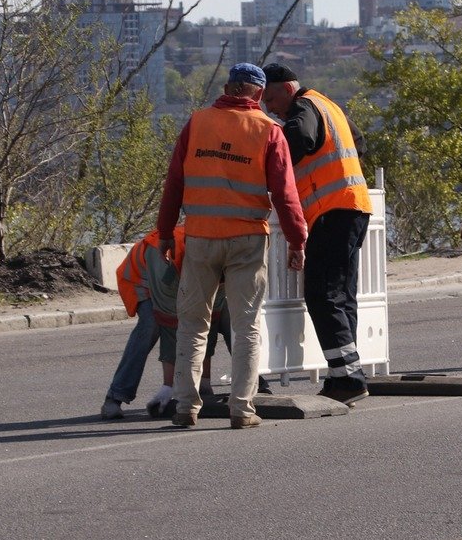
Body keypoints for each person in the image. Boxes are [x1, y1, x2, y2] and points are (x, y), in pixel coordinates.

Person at [158, 62, 307, 429]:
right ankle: (241, 409)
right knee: (246, 326)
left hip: (201, 237)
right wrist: (298, 240)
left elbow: (174, 183)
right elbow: (285, 194)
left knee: (193, 324)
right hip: (247, 240)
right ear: (257, 93)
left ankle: (185, 406)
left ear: (227, 87)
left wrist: (164, 233)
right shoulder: (269, 130)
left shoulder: (197, 123)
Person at [261, 63, 373, 406]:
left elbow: (300, 138)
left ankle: (348, 377)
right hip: (355, 206)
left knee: (322, 294)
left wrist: (274, 167)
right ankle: (348, 374)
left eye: (269, 99)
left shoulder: (303, 107)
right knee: (342, 295)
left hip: (331, 211)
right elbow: (361, 144)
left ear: (284, 89)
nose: (268, 108)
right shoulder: (329, 104)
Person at [100, 226, 231, 420]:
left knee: (229, 316)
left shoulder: (222, 258)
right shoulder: (165, 259)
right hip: (143, 280)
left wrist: (204, 382)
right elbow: (169, 323)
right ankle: (115, 396)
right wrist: (168, 387)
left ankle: (255, 381)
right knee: (151, 325)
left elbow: (209, 320)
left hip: (186, 275)